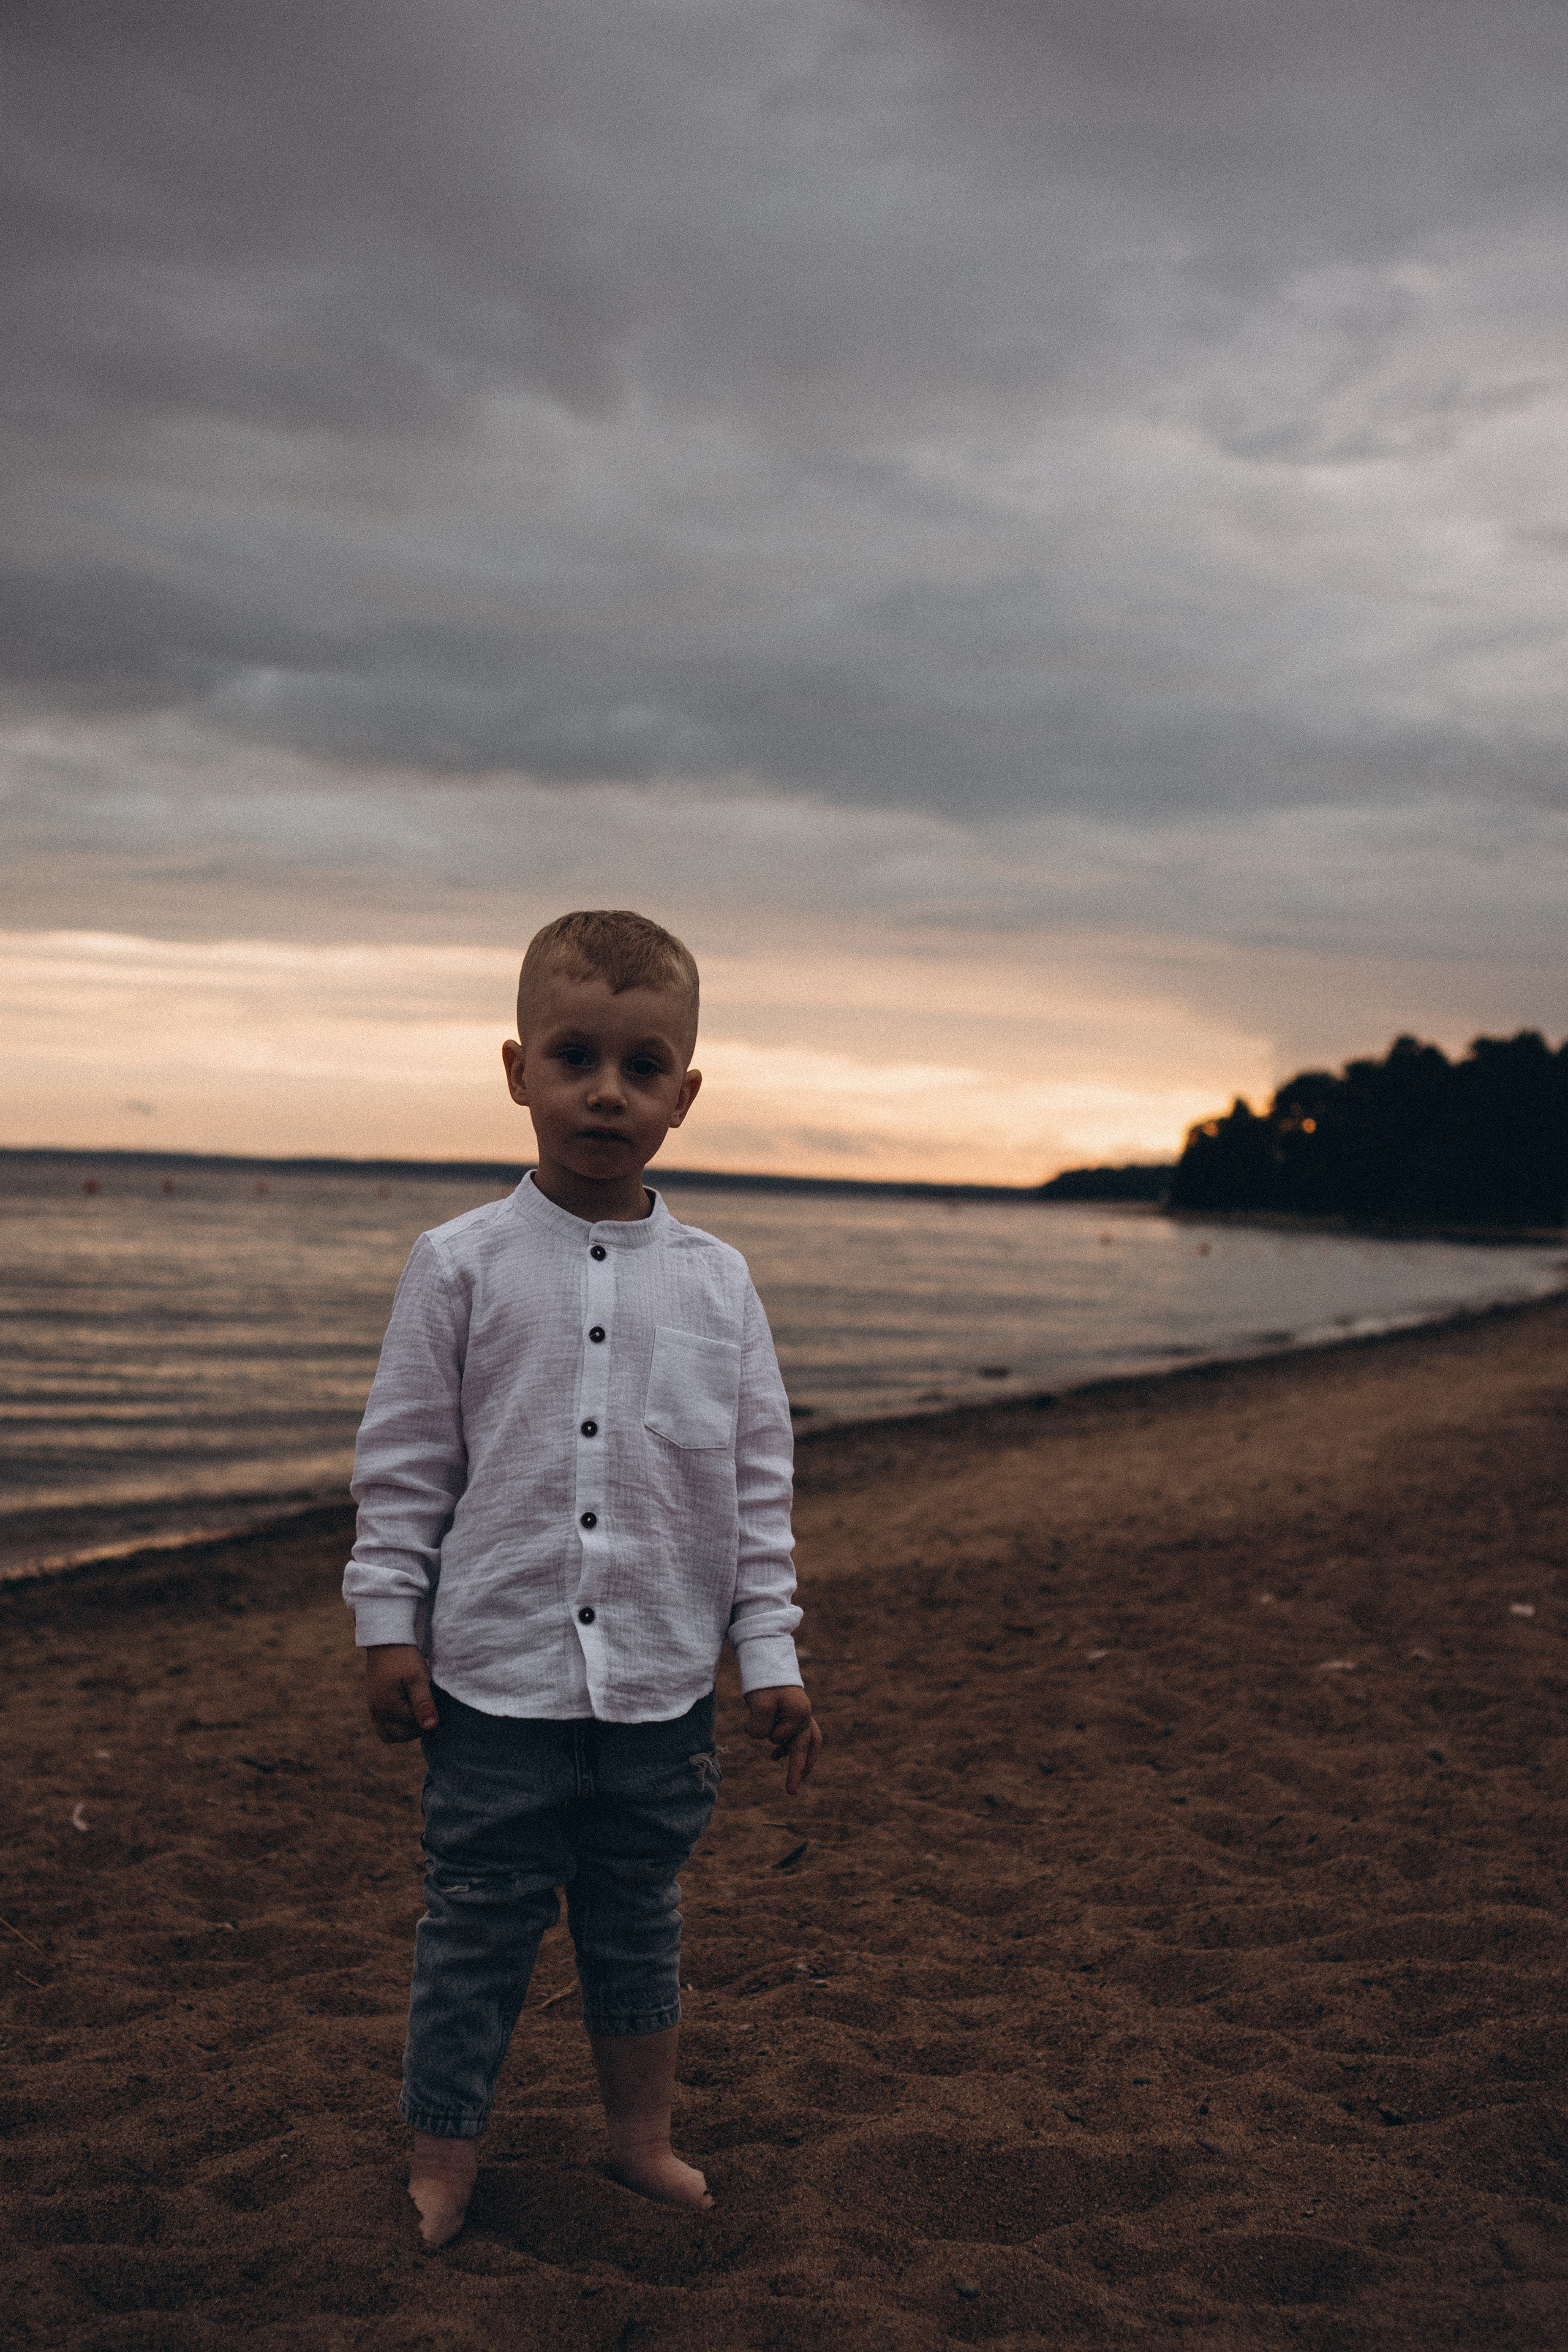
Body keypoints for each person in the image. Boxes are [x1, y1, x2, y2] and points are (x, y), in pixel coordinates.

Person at [343, 909, 821, 2245]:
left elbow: (754, 1491)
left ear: (684, 1095)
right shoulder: (459, 1266)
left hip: (662, 1691)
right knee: (477, 1928)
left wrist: (767, 1659)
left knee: (633, 1925)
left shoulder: (722, 1288)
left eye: (641, 1066)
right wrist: (391, 1626)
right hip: (492, 1682)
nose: (605, 1091)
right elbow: (404, 1466)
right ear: (515, 1072)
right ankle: (443, 2158)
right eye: (573, 1057)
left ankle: (638, 2143)